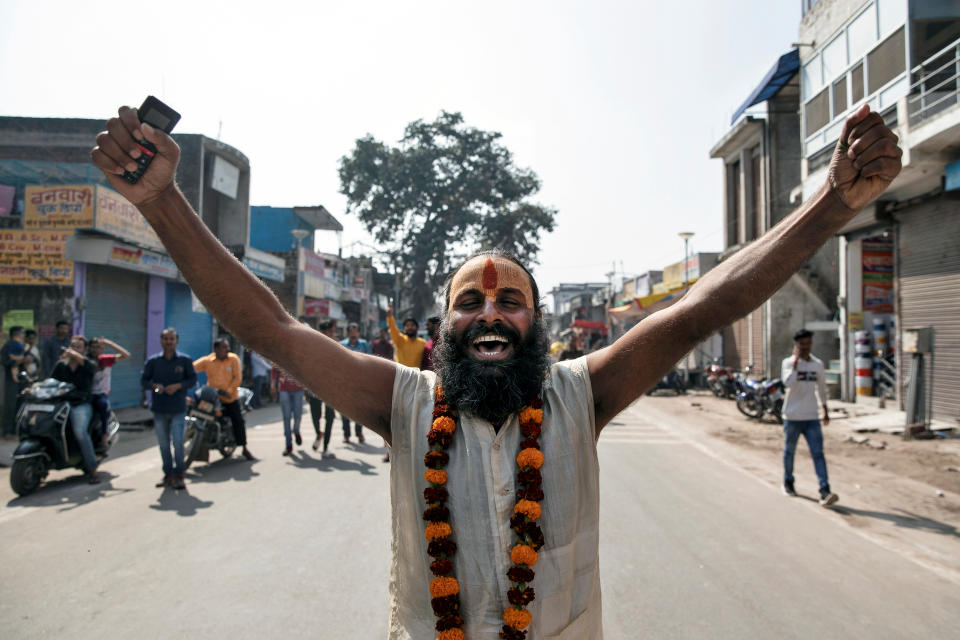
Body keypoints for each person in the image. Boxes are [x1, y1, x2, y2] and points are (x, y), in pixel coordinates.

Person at [92, 102, 901, 638]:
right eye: (469, 304)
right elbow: (266, 325)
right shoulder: (399, 402)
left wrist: (832, 204)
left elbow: (701, 308)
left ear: (537, 323)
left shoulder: (582, 393)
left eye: (510, 301)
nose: (489, 314)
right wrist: (162, 201)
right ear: (444, 328)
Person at [781, 329, 838, 506]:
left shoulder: (817, 364)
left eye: (808, 344)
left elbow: (821, 388)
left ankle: (824, 490)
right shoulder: (788, 363)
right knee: (789, 451)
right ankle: (788, 482)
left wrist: (825, 410)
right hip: (792, 416)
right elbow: (787, 383)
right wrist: (797, 363)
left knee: (818, 453)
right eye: (802, 344)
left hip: (812, 416)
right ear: (796, 346)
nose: (805, 347)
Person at [141, 328, 197, 490]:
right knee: (163, 444)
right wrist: (154, 387)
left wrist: (179, 386)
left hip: (178, 408)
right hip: (159, 408)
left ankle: (179, 474)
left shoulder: (185, 360)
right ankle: (168, 474)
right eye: (166, 339)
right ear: (161, 341)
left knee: (178, 443)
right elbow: (144, 381)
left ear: (176, 341)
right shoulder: (153, 362)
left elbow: (192, 379)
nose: (169, 342)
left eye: (171, 339)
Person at [193, 338, 256, 461]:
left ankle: (244, 448)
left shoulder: (233, 359)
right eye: (224, 347)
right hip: (212, 398)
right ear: (216, 349)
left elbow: (237, 378)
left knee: (238, 421)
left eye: (227, 347)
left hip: (229, 398)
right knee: (199, 413)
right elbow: (191, 368)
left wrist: (228, 391)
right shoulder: (208, 360)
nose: (227, 349)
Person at [51, 335, 100, 483]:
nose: (74, 350)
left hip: (80, 404)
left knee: (80, 432)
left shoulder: (89, 364)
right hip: (61, 404)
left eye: (78, 347)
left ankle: (92, 469)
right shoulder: (61, 365)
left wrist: (75, 356)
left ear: (85, 350)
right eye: (72, 346)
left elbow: (90, 367)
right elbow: (51, 382)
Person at [87, 336, 131, 449]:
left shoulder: (106, 360)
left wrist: (110, 344)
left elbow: (126, 355)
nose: (95, 349)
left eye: (99, 347)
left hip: (100, 394)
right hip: (86, 394)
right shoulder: (84, 360)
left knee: (104, 407)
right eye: (93, 347)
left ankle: (104, 438)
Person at [305, 320, 337, 458]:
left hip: (331, 389)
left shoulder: (337, 347)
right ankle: (319, 433)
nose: (328, 334)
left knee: (330, 418)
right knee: (315, 415)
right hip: (315, 387)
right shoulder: (313, 347)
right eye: (326, 332)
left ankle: (325, 447)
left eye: (330, 332)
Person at [339, 322, 371, 444]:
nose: (353, 334)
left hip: (361, 383)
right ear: (347, 333)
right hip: (345, 383)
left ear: (358, 333)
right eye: (351, 331)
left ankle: (359, 432)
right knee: (345, 410)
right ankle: (346, 434)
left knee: (360, 410)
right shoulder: (341, 345)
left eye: (355, 331)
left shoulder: (364, 344)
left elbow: (370, 361)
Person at [271, 362, 305, 455]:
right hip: (284, 389)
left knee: (298, 415)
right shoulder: (281, 353)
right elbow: (274, 369)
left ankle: (296, 430)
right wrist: (273, 385)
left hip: (298, 389)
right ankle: (288, 445)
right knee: (286, 417)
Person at [1, 326, 26, 438]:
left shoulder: (21, 345)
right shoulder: (9, 346)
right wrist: (18, 361)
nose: (23, 335)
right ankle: (7, 430)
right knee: (10, 405)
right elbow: (5, 361)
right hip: (10, 379)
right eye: (22, 333)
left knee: (20, 404)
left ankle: (17, 429)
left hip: (21, 378)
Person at [386, 302, 426, 368]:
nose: (410, 327)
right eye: (407, 325)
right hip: (401, 375)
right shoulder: (400, 340)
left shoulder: (423, 343)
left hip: (417, 376)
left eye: (412, 325)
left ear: (417, 328)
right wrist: (390, 316)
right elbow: (393, 329)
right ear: (404, 329)